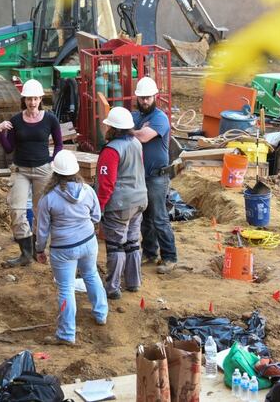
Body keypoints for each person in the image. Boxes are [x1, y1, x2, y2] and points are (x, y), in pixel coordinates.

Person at [35, 150, 108, 346]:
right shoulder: (88, 191)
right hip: (88, 242)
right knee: (91, 274)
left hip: (63, 249)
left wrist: (40, 249)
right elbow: (96, 217)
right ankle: (101, 314)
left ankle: (67, 334)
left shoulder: (48, 198)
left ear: (54, 172)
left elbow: (42, 229)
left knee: (66, 288)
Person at [0, 79, 63, 268]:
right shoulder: (16, 120)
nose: (32, 103)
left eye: (35, 99)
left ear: (41, 98)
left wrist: (54, 161)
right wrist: (0, 132)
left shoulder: (50, 119)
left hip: (43, 170)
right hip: (21, 170)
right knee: (16, 210)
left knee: (41, 211)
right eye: (28, 99)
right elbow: (9, 148)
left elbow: (59, 144)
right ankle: (25, 252)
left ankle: (38, 249)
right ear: (24, 99)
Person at [96, 106, 148, 300]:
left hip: (120, 204)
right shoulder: (136, 143)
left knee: (116, 245)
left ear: (113, 128)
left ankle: (112, 287)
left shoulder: (111, 150)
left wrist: (99, 207)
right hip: (140, 200)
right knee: (133, 241)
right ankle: (134, 282)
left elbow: (106, 184)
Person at [132, 77, 178, 274]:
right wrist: (133, 130)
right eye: (142, 98)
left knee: (159, 217)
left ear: (155, 97)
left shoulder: (160, 118)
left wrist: (128, 132)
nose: (144, 101)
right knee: (146, 217)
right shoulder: (135, 117)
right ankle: (150, 253)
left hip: (158, 176)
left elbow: (143, 136)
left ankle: (169, 256)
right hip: (141, 175)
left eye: (148, 98)